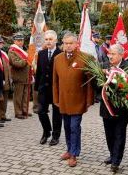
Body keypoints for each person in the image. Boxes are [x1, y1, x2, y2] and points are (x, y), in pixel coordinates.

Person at [53, 32, 94, 167]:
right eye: (66, 43)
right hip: (63, 100)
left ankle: (74, 154)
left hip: (78, 100)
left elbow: (90, 82)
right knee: (66, 126)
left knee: (74, 127)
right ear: (63, 44)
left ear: (76, 44)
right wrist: (56, 98)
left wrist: (89, 100)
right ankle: (69, 150)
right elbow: (55, 81)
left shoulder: (86, 58)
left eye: (71, 43)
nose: (68, 46)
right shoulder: (57, 59)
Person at [100, 44, 128, 173]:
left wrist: (116, 82)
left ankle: (116, 161)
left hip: (122, 109)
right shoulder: (104, 65)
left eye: (113, 54)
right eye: (109, 53)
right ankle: (112, 154)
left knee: (119, 134)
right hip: (106, 107)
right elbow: (97, 86)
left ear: (121, 55)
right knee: (109, 135)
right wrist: (102, 83)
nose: (110, 56)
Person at [34, 30, 62, 146]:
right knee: (41, 111)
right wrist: (37, 88)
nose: (48, 41)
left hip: (56, 89)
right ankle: (46, 132)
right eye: (46, 39)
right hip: (43, 88)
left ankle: (56, 135)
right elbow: (39, 72)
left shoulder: (61, 54)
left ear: (55, 40)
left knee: (57, 113)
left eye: (51, 39)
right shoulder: (41, 54)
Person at [8, 33, 31, 119]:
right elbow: (16, 63)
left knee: (25, 95)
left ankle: (24, 110)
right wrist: (26, 60)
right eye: (18, 40)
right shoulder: (12, 51)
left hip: (26, 76)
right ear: (14, 41)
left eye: (21, 40)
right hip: (18, 76)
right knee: (18, 96)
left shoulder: (23, 49)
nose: (20, 42)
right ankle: (18, 112)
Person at [0, 36, 11, 122]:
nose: (0, 44)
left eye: (1, 43)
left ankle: (3, 115)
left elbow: (8, 67)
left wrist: (9, 78)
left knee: (4, 99)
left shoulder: (4, 53)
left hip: (6, 79)